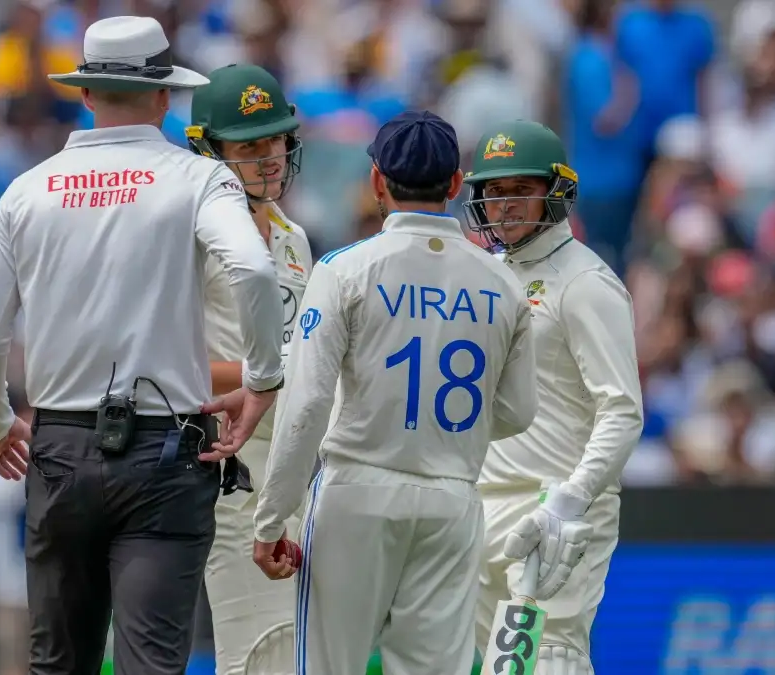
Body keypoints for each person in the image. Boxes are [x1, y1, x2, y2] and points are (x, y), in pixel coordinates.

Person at [0, 16, 287, 675]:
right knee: (151, 662)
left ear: (85, 93)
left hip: (59, 446)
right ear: (165, 96)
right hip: (165, 449)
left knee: (58, 663)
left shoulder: (28, 191)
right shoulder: (198, 180)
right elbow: (253, 269)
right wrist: (262, 378)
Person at [252, 110, 539, 675]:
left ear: (378, 181)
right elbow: (516, 411)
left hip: (356, 490)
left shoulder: (344, 269)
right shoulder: (502, 281)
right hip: (452, 497)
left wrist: (270, 521)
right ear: (457, 185)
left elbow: (306, 404)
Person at [462, 119, 644, 675]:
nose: (506, 205)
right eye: (494, 192)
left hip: (553, 508)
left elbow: (622, 409)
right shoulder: (488, 274)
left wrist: (571, 501)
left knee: (545, 662)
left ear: (556, 191)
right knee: (495, 668)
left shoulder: (586, 282)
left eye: (521, 190)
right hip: (480, 508)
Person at [185, 63, 312, 675]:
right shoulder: (189, 238)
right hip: (228, 475)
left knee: (300, 655)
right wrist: (270, 376)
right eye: (250, 146)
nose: (269, 159)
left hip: (298, 474)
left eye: (277, 141)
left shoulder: (294, 238)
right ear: (208, 151)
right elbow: (159, 366)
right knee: (257, 656)